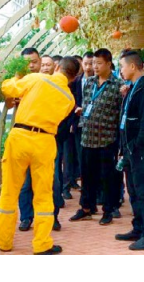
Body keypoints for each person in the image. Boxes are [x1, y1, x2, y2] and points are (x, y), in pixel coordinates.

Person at [0, 56, 80, 255]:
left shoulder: (37, 78)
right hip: (45, 142)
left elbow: (8, 88)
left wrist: (16, 77)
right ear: (74, 78)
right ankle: (42, 244)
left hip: (20, 137)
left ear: (57, 67)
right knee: (43, 195)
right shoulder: (69, 99)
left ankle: (4, 241)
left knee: (10, 191)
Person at [70, 49, 124, 225]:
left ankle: (108, 210)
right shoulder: (89, 83)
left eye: (99, 63)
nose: (95, 66)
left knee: (107, 177)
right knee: (87, 176)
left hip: (107, 139)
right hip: (87, 137)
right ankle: (86, 208)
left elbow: (121, 113)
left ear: (109, 64)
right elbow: (87, 104)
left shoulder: (118, 85)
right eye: (93, 63)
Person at [114, 50, 144, 250]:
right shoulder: (133, 87)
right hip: (129, 148)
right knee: (133, 191)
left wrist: (135, 146)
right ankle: (138, 228)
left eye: (122, 66)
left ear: (133, 66)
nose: (121, 71)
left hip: (140, 149)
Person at [15, 48, 42, 233]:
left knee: (45, 182)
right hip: (22, 137)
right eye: (27, 63)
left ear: (40, 61)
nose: (31, 65)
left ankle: (49, 217)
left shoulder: (47, 82)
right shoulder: (18, 83)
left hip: (43, 137)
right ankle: (26, 217)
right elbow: (9, 102)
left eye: (34, 61)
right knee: (24, 183)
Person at [63, 51, 95, 199]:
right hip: (76, 124)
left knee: (89, 158)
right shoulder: (75, 82)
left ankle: (91, 189)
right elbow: (69, 99)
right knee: (72, 156)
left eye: (91, 64)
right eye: (86, 64)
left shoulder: (100, 82)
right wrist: (75, 109)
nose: (88, 67)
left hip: (94, 126)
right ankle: (67, 186)